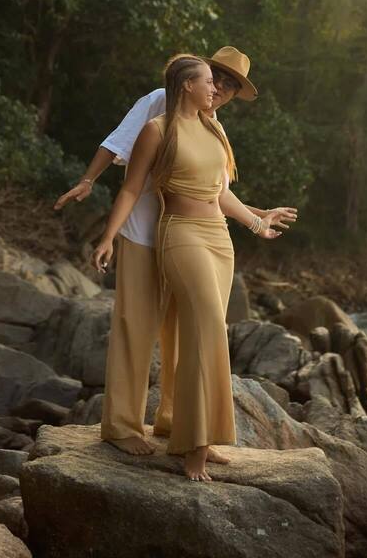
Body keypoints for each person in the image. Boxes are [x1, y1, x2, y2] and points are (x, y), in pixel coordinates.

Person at [54, 48, 296, 459]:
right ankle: (121, 425)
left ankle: (174, 421)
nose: (222, 89)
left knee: (183, 334)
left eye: (231, 87)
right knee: (136, 326)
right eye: (218, 79)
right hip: (142, 232)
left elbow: (216, 194)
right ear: (198, 78)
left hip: (194, 239)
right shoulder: (158, 104)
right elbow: (117, 144)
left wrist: (258, 217)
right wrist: (89, 180)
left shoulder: (213, 128)